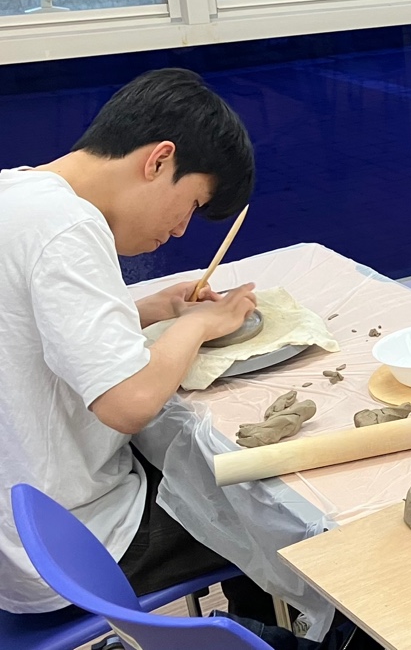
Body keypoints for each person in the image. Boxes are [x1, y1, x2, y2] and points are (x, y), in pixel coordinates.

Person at [0, 68, 271, 620]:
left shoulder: (18, 194)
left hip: (20, 531)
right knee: (270, 512)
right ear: (159, 160)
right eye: (191, 204)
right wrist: (200, 325)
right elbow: (129, 403)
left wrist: (149, 309)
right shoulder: (67, 226)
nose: (180, 229)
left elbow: (29, 324)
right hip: (73, 549)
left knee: (209, 474)